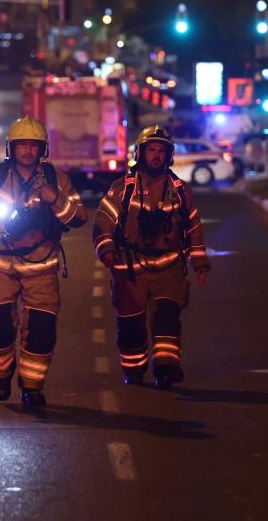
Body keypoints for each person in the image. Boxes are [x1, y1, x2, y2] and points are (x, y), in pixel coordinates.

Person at [0, 116, 87, 408]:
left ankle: (32, 386)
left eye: (34, 145)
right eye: (22, 145)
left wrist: (54, 198)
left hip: (41, 266)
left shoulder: (57, 180)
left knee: (42, 327)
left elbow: (78, 217)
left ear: (43, 149)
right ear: (11, 148)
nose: (28, 150)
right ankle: (2, 376)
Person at [92, 124, 211, 389]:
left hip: (169, 266)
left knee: (167, 316)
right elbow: (103, 221)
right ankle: (133, 369)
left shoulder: (180, 190)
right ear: (140, 153)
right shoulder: (123, 188)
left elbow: (193, 226)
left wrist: (199, 261)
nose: (156, 156)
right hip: (129, 267)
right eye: (151, 150)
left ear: (169, 155)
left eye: (161, 151)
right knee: (130, 323)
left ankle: (166, 368)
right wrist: (107, 249)